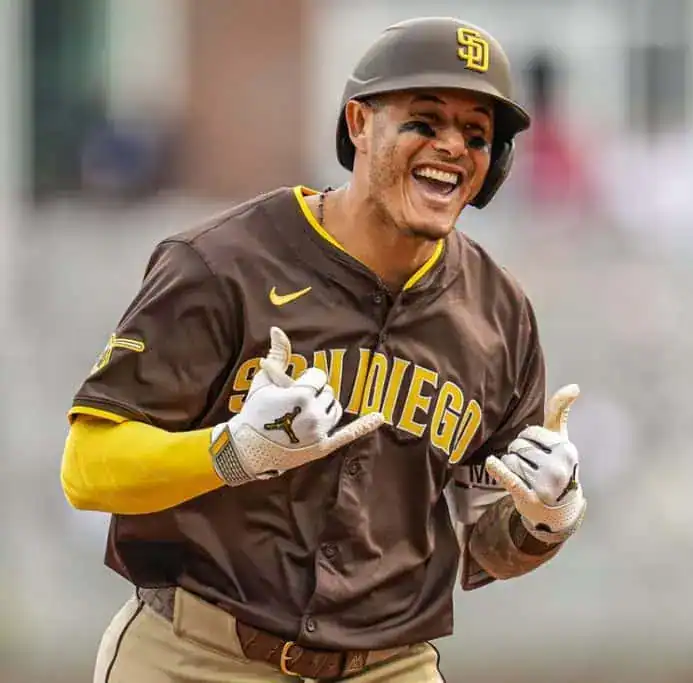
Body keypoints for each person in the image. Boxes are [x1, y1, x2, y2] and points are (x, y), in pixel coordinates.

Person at [61, 16, 588, 683]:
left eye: (477, 134)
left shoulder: (498, 312)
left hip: (387, 664)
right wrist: (234, 451)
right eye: (425, 121)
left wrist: (546, 515)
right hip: (200, 655)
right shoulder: (222, 264)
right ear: (360, 123)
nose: (452, 146)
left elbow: (487, 538)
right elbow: (87, 466)